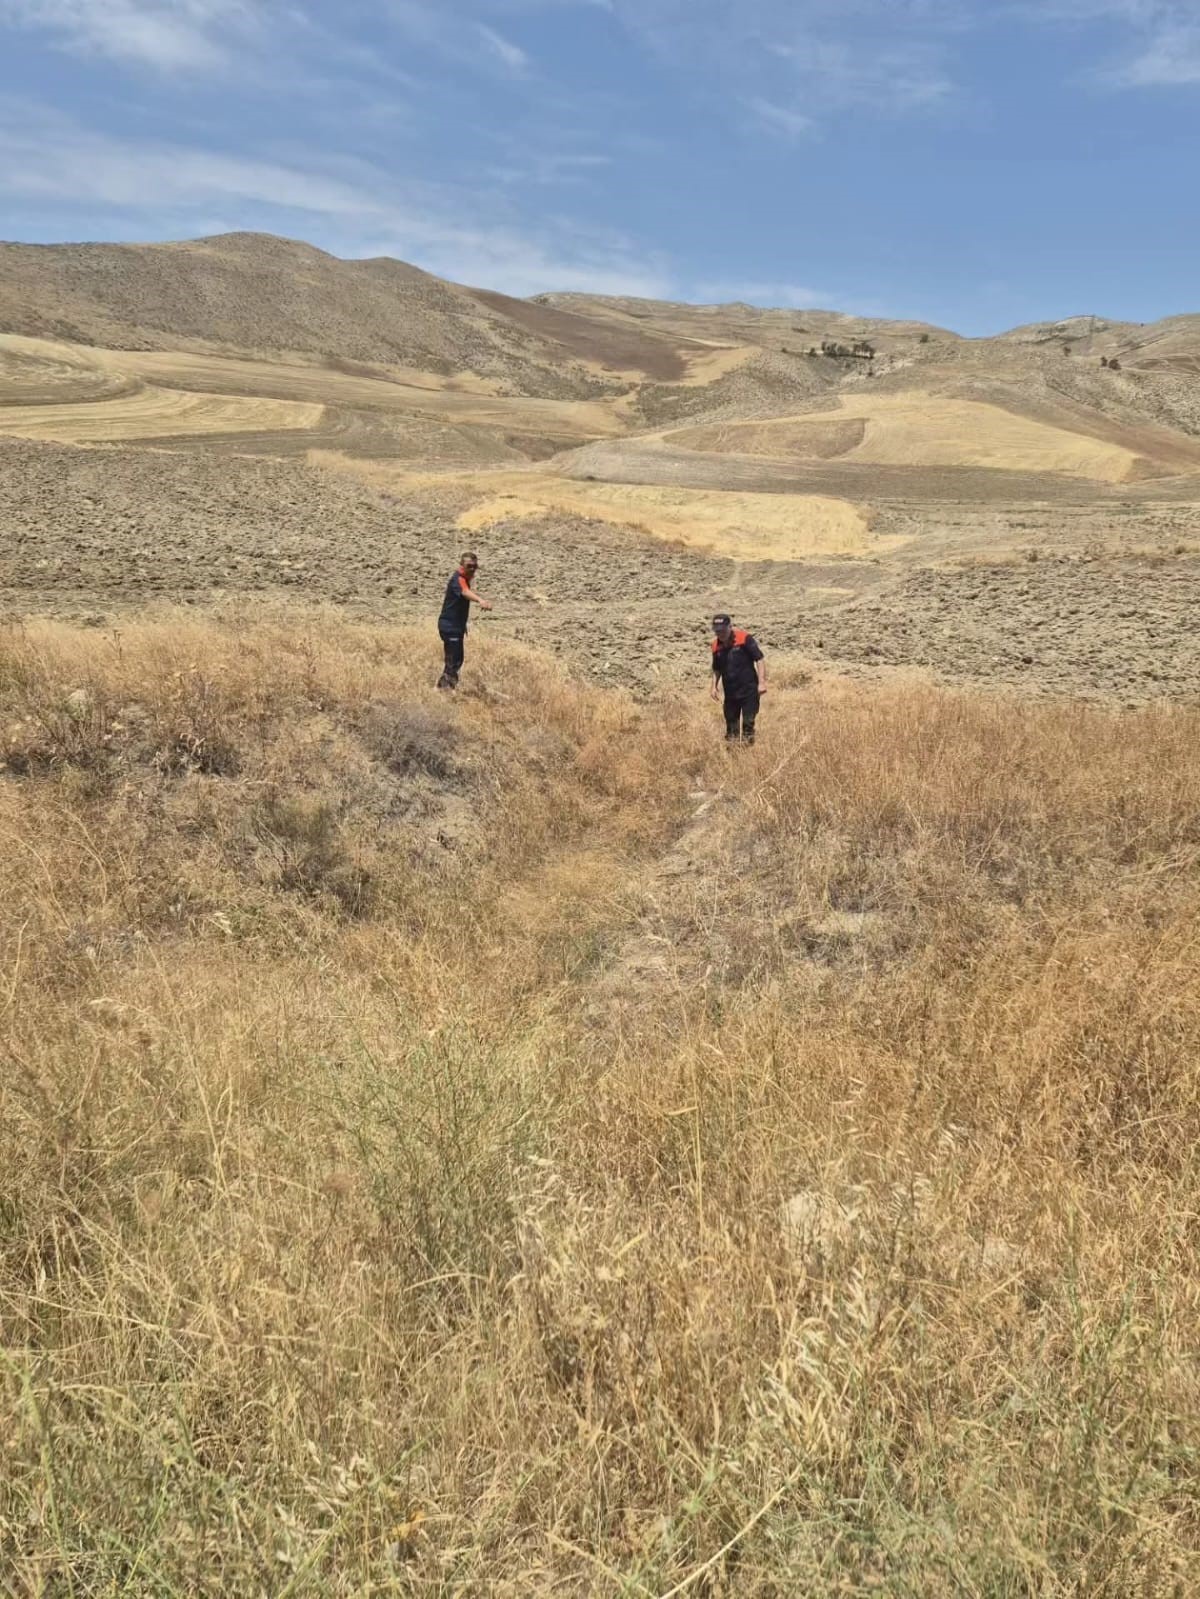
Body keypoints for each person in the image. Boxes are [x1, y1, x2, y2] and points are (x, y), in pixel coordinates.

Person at [437, 551, 492, 689]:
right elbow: (465, 592)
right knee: (454, 660)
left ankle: (445, 688)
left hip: (455, 626)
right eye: (469, 566)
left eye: (475, 566)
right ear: (461, 566)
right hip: (450, 626)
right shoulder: (459, 579)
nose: (472, 569)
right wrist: (480, 600)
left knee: (455, 660)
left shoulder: (464, 579)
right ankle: (443, 690)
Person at [710, 613, 767, 742]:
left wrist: (761, 683)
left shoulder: (744, 638)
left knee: (748, 723)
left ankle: (748, 749)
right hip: (730, 693)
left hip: (749, 689)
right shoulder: (715, 646)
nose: (720, 634)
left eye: (722, 630)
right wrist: (713, 687)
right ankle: (733, 751)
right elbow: (716, 669)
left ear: (730, 626)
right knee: (731, 727)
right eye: (717, 631)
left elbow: (759, 659)